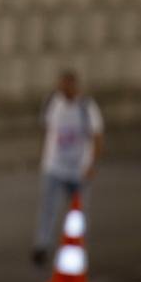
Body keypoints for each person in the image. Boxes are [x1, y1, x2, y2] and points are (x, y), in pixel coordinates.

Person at [32, 69, 104, 266]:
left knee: (77, 212)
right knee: (48, 207)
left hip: (77, 169)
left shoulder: (86, 107)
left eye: (67, 85)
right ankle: (42, 245)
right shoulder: (52, 104)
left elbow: (97, 136)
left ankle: (76, 248)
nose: (63, 89)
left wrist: (91, 164)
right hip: (54, 166)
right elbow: (47, 130)